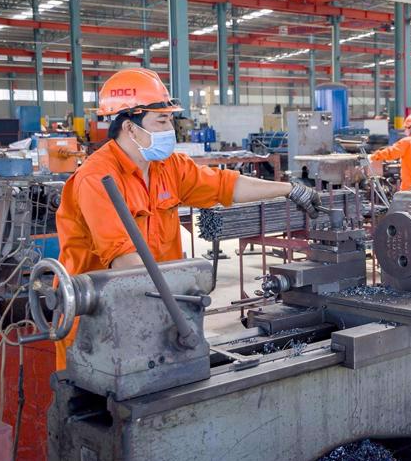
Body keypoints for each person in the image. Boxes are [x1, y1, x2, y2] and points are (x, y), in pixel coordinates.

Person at [54, 68, 321, 370]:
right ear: (130, 127)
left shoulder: (168, 166)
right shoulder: (97, 178)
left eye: (171, 120)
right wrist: (185, 292)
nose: (172, 130)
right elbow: (125, 262)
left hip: (157, 308)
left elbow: (226, 185)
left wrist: (290, 189)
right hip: (99, 324)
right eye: (162, 121)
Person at [369, 113, 411, 191]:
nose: (405, 130)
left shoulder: (406, 142)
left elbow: (391, 153)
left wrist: (373, 156)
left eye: (406, 127)